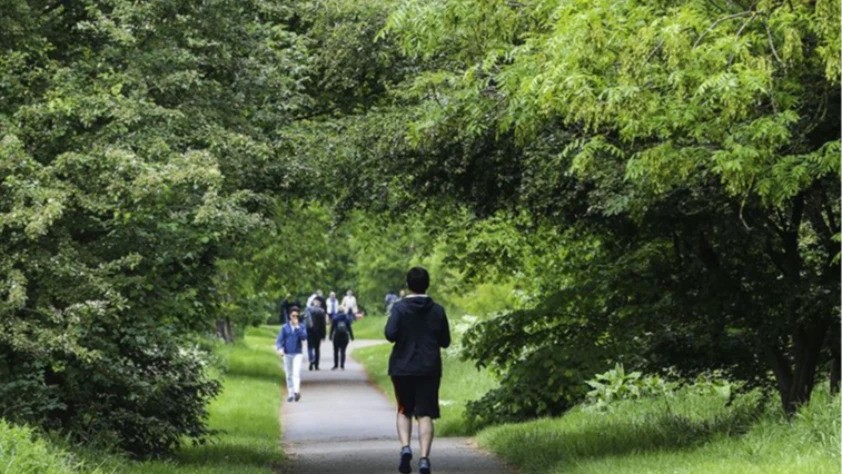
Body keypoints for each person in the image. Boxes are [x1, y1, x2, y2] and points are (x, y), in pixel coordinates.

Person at [385, 267, 450, 474]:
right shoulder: (437, 310)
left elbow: (390, 334)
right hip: (429, 368)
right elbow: (445, 341)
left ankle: (405, 447)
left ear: (408, 284)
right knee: (425, 413)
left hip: (402, 367)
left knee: (404, 410)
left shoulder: (399, 309)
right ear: (427, 284)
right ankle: (424, 459)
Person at [275, 307, 307, 402]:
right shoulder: (285, 328)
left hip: (297, 353)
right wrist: (280, 349)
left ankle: (296, 392)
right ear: (290, 316)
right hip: (287, 353)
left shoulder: (301, 327)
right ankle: (290, 393)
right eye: (293, 316)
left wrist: (297, 327)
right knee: (289, 374)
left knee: (296, 373)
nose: (295, 318)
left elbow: (304, 337)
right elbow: (279, 340)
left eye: (297, 316)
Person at [329, 305, 355, 370]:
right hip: (345, 336)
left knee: (336, 351)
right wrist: (352, 337)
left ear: (338, 311)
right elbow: (349, 328)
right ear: (344, 311)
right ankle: (342, 365)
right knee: (343, 351)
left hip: (336, 336)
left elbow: (332, 328)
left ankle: (335, 365)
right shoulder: (347, 318)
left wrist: (330, 336)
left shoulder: (335, 318)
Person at [305, 299, 327, 370]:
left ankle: (311, 359)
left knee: (310, 347)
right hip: (318, 332)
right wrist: (323, 335)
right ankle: (316, 365)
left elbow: (305, 321)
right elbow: (323, 324)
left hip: (309, 331)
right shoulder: (322, 311)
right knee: (317, 348)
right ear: (319, 304)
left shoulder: (308, 310)